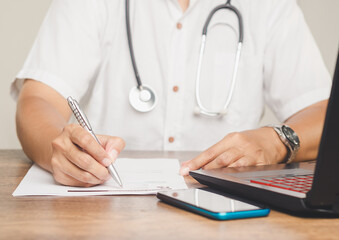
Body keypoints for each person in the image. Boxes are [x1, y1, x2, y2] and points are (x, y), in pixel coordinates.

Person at [11, 0, 331, 187]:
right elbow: (38, 99)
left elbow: (324, 113)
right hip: (106, 211)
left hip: (228, 218)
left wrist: (278, 140)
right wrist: (61, 150)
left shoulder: (272, 7)